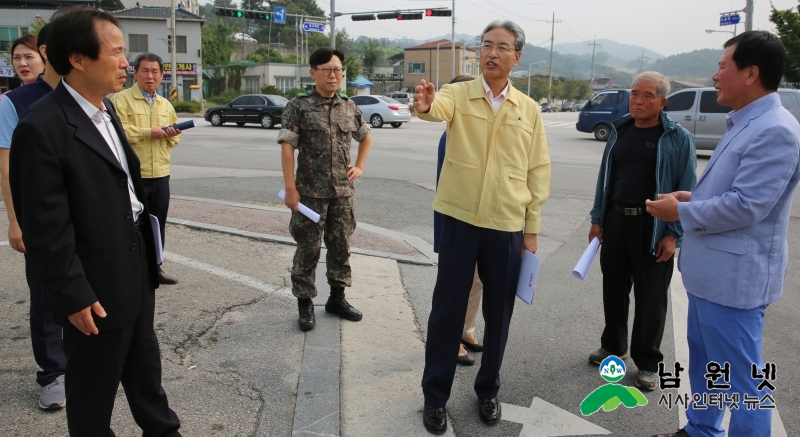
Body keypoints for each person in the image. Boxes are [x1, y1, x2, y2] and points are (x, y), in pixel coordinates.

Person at [9, 7, 181, 435]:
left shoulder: (105, 112)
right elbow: (46, 224)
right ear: (78, 59)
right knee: (93, 389)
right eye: (118, 52)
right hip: (94, 283)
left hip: (134, 263)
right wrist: (72, 294)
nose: (127, 63)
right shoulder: (42, 127)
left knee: (145, 367)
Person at [648, 31, 800, 437]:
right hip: (710, 277)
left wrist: (680, 210)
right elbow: (730, 192)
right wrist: (691, 196)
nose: (715, 75)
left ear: (750, 73)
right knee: (707, 367)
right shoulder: (746, 121)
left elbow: (747, 206)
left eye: (721, 66)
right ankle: (700, 429)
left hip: (735, 283)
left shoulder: (775, 130)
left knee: (743, 383)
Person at [415, 20, 551, 434]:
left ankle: (488, 388)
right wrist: (423, 103)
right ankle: (434, 397)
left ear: (517, 57)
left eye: (502, 47)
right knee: (447, 312)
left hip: (506, 226)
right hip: (459, 221)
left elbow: (537, 171)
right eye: (486, 45)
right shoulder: (459, 94)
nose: (492, 53)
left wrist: (531, 229)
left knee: (499, 313)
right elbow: (433, 109)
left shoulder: (528, 109)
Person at [587, 71, 696, 390]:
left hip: (654, 224)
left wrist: (673, 233)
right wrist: (598, 218)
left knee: (651, 296)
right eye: (635, 93)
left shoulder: (677, 137)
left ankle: (648, 362)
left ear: (662, 102)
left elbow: (686, 188)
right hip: (618, 220)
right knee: (614, 287)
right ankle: (613, 346)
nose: (638, 100)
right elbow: (604, 179)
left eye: (648, 95)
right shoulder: (619, 131)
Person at [278, 47, 372, 331]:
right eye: (327, 70)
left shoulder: (348, 106)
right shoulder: (299, 105)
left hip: (342, 193)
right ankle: (305, 304)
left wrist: (360, 166)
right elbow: (287, 147)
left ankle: (337, 298)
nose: (333, 75)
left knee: (341, 248)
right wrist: (290, 189)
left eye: (338, 70)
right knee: (307, 250)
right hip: (309, 194)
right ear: (313, 73)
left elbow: (365, 137)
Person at [0, 22, 67, 410]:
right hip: (38, 218)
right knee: (45, 296)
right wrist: (15, 219)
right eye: (18, 58)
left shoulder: (87, 96)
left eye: (28, 55)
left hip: (80, 216)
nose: (23, 62)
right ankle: (53, 374)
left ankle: (85, 366)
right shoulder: (15, 102)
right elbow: (6, 168)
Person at [112, 52, 181, 285]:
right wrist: (148, 132)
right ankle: (131, 271)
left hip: (161, 174)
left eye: (155, 72)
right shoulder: (120, 100)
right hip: (134, 175)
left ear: (162, 75)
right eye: (145, 71)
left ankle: (156, 268)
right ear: (135, 72)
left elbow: (174, 139)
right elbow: (119, 132)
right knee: (130, 224)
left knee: (157, 222)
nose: (150, 76)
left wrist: (172, 134)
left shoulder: (165, 104)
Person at [432, 74, 484, 367]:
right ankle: (449, 339)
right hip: (457, 222)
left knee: (476, 280)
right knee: (456, 284)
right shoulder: (452, 135)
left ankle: (465, 332)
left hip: (480, 222)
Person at [0, 34, 45, 101]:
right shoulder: (6, 99)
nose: (22, 63)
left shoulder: (59, 95)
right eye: (16, 57)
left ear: (45, 58)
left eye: (29, 57)